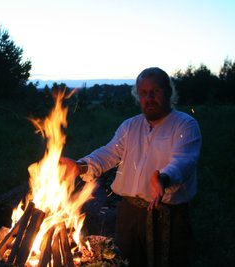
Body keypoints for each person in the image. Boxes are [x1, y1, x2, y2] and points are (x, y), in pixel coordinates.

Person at [61, 67, 202, 267]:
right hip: (129, 214)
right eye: (143, 93)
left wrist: (163, 178)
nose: (149, 98)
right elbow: (108, 153)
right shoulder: (130, 126)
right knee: (126, 262)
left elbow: (184, 160)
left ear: (168, 92)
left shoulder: (185, 125)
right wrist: (81, 166)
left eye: (155, 91)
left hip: (168, 216)